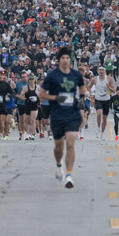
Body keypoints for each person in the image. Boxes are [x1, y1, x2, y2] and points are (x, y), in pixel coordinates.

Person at [37, 48, 87, 189]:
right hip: (57, 114)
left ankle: (69, 175)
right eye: (63, 58)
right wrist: (56, 98)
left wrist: (81, 98)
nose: (65, 60)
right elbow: (42, 94)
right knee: (59, 147)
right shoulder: (52, 76)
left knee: (70, 143)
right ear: (59, 60)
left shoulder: (76, 75)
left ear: (70, 60)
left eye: (67, 57)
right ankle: (59, 165)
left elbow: (82, 87)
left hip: (72, 114)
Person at [90, 66, 113, 141]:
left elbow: (114, 90)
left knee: (105, 118)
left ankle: (102, 133)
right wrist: (91, 94)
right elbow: (88, 87)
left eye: (102, 70)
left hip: (106, 100)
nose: (101, 71)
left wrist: (109, 87)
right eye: (100, 70)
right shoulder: (94, 79)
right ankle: (98, 129)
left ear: (105, 71)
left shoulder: (109, 79)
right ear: (98, 71)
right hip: (98, 99)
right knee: (99, 114)